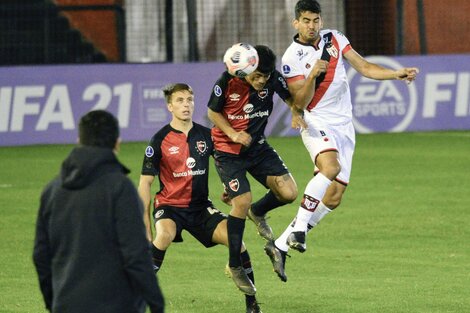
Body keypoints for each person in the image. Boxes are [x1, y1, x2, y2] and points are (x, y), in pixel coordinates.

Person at [267, 0, 419, 279]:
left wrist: (395, 74)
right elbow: (299, 103)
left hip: (344, 124)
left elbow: (363, 66)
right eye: (306, 21)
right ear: (296, 23)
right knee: (330, 168)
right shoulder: (291, 58)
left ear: (321, 21)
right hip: (315, 120)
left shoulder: (335, 38)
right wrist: (313, 74)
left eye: (316, 20)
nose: (311, 26)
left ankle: (280, 244)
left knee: (334, 197)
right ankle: (299, 230)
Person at [138, 83, 262, 313]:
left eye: (189, 100)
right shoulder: (159, 140)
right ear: (169, 106)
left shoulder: (207, 136)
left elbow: (225, 164)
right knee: (164, 235)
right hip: (169, 206)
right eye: (179, 101)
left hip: (200, 208)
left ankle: (252, 304)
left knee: (237, 242)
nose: (186, 105)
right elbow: (145, 184)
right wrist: (146, 229)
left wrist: (229, 187)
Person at [33, 110, 164, 313]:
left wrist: (54, 302)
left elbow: (41, 255)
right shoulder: (120, 188)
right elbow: (136, 254)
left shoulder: (52, 190)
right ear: (117, 143)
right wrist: (156, 303)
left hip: (66, 305)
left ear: (79, 140)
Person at [207, 45, 305, 283]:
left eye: (266, 76)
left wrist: (295, 112)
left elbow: (290, 97)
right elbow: (213, 112)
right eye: (257, 76)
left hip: (257, 147)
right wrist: (233, 134)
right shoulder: (227, 82)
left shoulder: (272, 79)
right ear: (247, 69)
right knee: (241, 200)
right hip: (228, 150)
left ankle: (258, 212)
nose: (262, 81)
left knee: (289, 192)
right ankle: (235, 264)